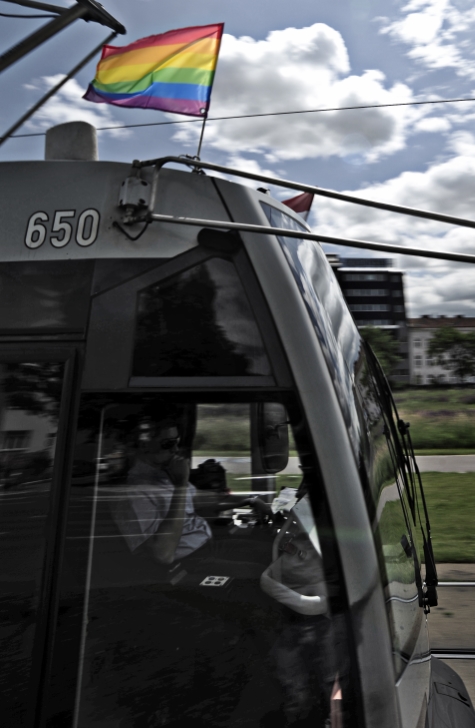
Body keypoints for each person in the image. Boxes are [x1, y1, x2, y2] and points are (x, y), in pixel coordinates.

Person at [111, 417, 213, 566]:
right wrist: (180, 486)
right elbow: (163, 554)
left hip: (206, 546)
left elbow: (199, 499)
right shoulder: (135, 492)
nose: (175, 449)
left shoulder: (165, 473)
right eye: (168, 444)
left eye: (176, 442)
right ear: (145, 445)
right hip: (187, 564)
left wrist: (249, 500)